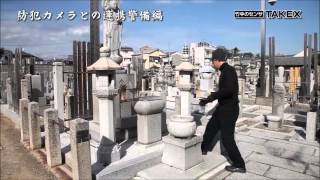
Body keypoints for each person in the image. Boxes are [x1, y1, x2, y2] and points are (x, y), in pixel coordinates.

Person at [199, 48, 246, 173]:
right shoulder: (224, 71)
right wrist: (208, 100)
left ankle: (239, 164)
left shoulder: (228, 71)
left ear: (216, 60)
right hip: (222, 108)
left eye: (212, 61)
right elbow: (224, 91)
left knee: (227, 138)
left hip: (229, 110)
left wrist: (211, 97)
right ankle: (203, 149)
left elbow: (228, 90)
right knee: (211, 128)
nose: (212, 64)